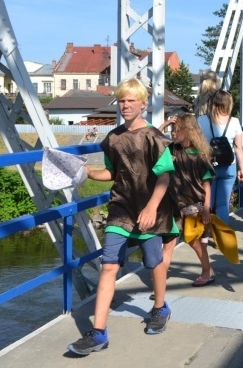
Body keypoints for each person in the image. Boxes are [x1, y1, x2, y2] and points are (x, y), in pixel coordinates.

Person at [67, 78, 176, 356]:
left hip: (149, 210)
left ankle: (160, 306)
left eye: (131, 100)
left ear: (143, 103)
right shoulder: (113, 139)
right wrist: (89, 173)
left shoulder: (153, 136)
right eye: (122, 101)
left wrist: (152, 207)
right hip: (121, 209)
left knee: (154, 262)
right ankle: (99, 333)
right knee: (109, 266)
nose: (126, 105)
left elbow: (164, 176)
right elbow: (112, 174)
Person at [160, 113, 216, 287]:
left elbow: (207, 185)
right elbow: (154, 139)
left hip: (193, 205)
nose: (173, 133)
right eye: (172, 130)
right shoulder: (172, 150)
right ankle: (160, 281)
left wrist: (206, 208)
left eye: (177, 130)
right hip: (174, 204)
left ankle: (207, 271)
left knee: (194, 241)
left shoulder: (199, 156)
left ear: (188, 131)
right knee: (168, 243)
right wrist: (166, 123)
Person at [198, 90, 243, 222]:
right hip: (228, 166)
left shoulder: (201, 120)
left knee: (207, 203)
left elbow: (196, 145)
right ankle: (222, 237)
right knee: (223, 204)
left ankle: (205, 236)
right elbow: (238, 148)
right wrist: (241, 169)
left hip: (207, 166)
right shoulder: (235, 121)